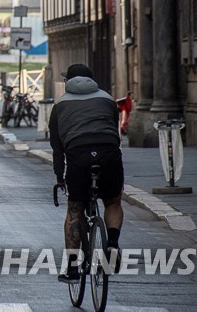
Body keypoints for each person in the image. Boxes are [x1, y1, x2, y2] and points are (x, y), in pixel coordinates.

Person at [49, 63, 124, 282]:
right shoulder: (107, 99)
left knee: (75, 209)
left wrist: (59, 176)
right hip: (108, 152)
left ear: (67, 83)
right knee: (113, 202)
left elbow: (57, 147)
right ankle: (112, 244)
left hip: (78, 155)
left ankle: (72, 268)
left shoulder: (60, 105)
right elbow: (114, 129)